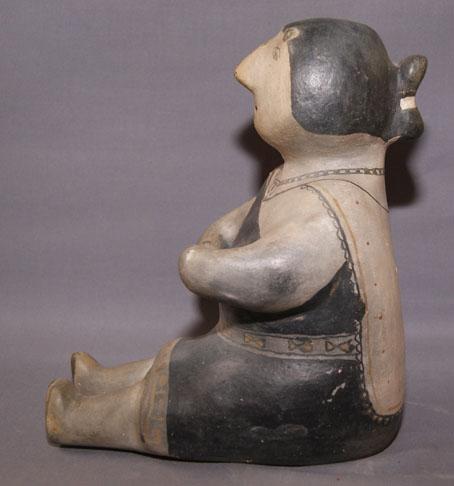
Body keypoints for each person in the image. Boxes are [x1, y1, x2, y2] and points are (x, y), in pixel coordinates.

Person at [46, 18, 426, 465]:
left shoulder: (340, 203)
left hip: (321, 387)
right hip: (262, 352)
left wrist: (203, 268)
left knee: (200, 384)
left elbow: (281, 274)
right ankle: (104, 383)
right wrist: (220, 235)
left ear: (329, 88)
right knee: (191, 356)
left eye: (275, 56)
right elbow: (243, 221)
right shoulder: (298, 178)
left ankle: (80, 417)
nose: (246, 71)